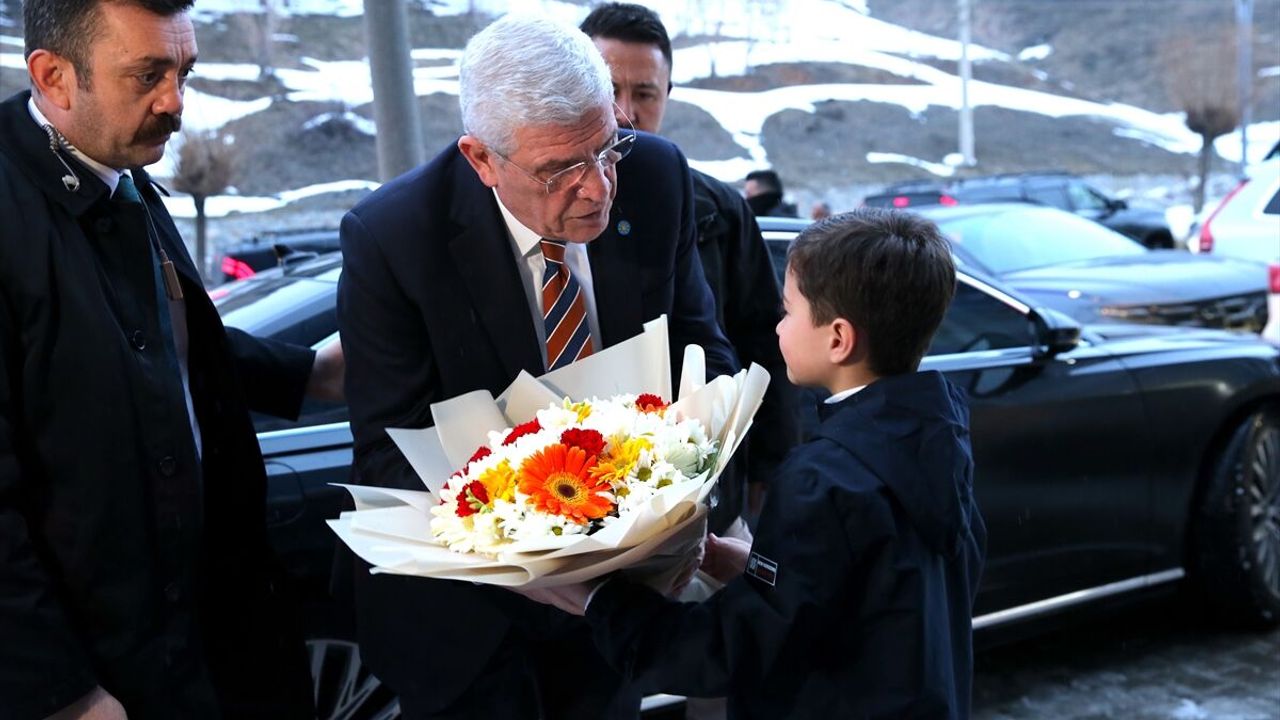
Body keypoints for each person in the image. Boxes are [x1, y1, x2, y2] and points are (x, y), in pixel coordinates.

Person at [336, 14, 736, 720]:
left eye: (608, 149)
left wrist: (696, 495)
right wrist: (529, 547)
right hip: (467, 624)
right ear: (480, 158)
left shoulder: (658, 177)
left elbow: (702, 354)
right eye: (561, 169)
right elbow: (388, 450)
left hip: (618, 616)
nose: (598, 189)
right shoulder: (393, 237)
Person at [0, 1, 345, 718]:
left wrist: (304, 373)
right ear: (54, 76)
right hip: (95, 671)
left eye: (184, 71)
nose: (175, 102)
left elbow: (153, 334)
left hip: (207, 640)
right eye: (147, 75)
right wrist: (60, 692)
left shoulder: (114, 165)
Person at [524, 209, 988, 719]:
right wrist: (748, 567)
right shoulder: (935, 439)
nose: (778, 325)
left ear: (838, 339)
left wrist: (597, 599)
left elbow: (730, 651)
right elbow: (875, 594)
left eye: (788, 311)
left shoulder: (821, 481)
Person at [580, 2, 799, 530]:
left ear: (669, 97)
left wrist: (767, 474)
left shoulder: (717, 210)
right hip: (567, 489)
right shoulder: (539, 202)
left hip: (697, 487)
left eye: (645, 94)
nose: (625, 111)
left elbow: (763, 341)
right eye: (609, 91)